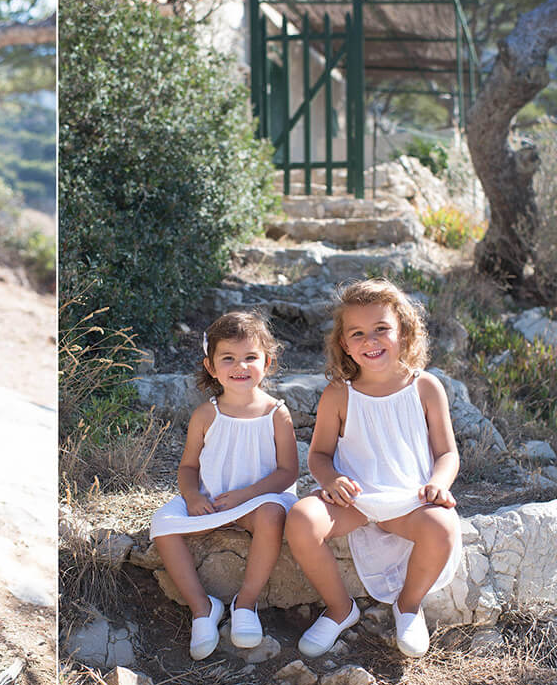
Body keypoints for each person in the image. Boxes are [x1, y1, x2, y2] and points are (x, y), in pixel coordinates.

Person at [285, 278, 461, 659]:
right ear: (344, 344)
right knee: (301, 518)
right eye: (358, 333)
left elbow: (447, 453)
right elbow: (318, 455)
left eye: (382, 329)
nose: (371, 340)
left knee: (444, 527)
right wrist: (331, 480)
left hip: (409, 499)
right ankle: (340, 608)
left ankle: (408, 606)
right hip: (357, 500)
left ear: (404, 331)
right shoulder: (338, 394)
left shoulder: (426, 387)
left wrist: (438, 483)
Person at [150, 312, 299, 660]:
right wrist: (193, 495)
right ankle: (203, 608)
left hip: (258, 499)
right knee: (162, 524)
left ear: (268, 362)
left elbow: (288, 472)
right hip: (213, 499)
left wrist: (247, 495)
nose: (240, 366)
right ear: (211, 366)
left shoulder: (277, 414)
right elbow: (188, 467)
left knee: (272, 515)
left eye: (250, 357)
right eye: (228, 358)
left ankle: (245, 603)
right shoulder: (206, 414)